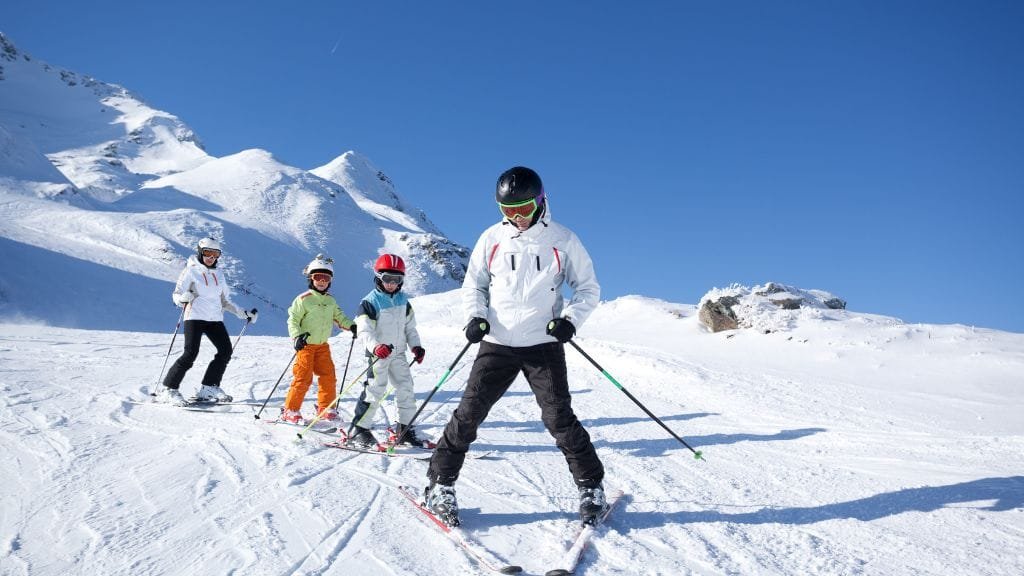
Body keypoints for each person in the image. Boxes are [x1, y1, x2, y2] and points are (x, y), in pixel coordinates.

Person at [424, 166, 607, 527]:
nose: (517, 217)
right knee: (469, 414)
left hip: (542, 343)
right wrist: (475, 316)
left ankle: (591, 486)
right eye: (508, 211)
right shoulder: (492, 238)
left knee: (559, 418)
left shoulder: (563, 239)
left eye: (523, 208)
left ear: (539, 202)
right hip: (497, 342)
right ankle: (439, 485)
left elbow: (588, 288)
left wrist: (569, 320)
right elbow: (473, 284)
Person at [160, 238, 257, 405]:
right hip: (195, 317)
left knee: (225, 351)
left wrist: (243, 313)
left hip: (214, 319)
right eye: (207, 253)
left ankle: (209, 386)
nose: (211, 257)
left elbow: (225, 301)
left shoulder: (219, 274)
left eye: (215, 254)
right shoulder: (190, 271)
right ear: (200, 252)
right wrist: (182, 299)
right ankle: (170, 389)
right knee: (190, 353)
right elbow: (177, 293)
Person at [347, 254, 429, 449]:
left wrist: (415, 346)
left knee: (406, 388)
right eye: (387, 279)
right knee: (375, 389)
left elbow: (410, 328)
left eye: (397, 280)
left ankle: (405, 429)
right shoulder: (370, 302)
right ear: (378, 277)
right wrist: (376, 346)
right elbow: (364, 329)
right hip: (379, 354)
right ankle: (359, 428)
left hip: (399, 353)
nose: (391, 284)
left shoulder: (403, 301)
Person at [281, 254, 356, 423]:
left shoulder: (330, 301)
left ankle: (326, 408)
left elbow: (339, 317)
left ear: (330, 281)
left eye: (326, 278)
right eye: (318, 277)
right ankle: (290, 410)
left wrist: (351, 325)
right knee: (303, 377)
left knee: (328, 376)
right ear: (311, 278)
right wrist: (297, 337)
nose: (322, 281)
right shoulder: (303, 299)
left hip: (322, 346)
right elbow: (293, 320)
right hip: (306, 346)